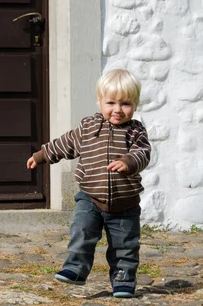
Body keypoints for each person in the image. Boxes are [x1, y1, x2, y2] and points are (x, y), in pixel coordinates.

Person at [27, 69, 151, 298]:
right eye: (111, 103)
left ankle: (124, 278)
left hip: (125, 203)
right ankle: (76, 269)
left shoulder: (136, 131)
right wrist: (41, 156)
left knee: (125, 245)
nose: (117, 110)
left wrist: (128, 161)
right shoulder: (89, 127)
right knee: (82, 231)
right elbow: (64, 144)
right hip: (90, 198)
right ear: (100, 102)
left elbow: (143, 153)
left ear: (135, 104)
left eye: (125, 104)